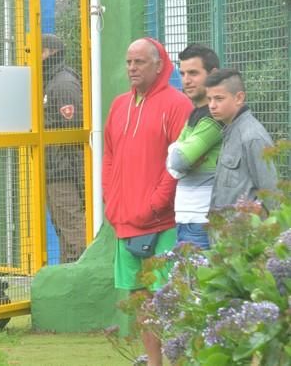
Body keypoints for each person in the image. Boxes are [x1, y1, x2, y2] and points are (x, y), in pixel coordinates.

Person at [102, 38, 192, 366]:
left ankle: (180, 359)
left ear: (158, 65)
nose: (132, 68)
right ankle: (155, 363)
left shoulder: (177, 104)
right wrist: (110, 198)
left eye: (139, 62)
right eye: (128, 62)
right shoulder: (119, 104)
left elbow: (179, 161)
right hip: (124, 221)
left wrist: (156, 203)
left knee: (167, 298)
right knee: (139, 298)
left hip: (162, 224)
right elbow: (109, 154)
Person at [166, 44, 222, 250]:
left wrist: (177, 156)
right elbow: (176, 162)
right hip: (186, 220)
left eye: (193, 73)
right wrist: (177, 157)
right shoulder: (195, 113)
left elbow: (179, 160)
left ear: (213, 74)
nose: (186, 80)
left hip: (202, 221)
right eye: (182, 73)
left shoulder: (215, 117)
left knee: (197, 282)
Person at [206, 68, 278, 212]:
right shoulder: (230, 131)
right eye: (209, 99)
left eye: (219, 99)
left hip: (245, 232)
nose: (212, 105)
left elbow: (272, 197)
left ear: (239, 98)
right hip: (227, 231)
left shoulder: (252, 137)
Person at [41, 33, 85, 263]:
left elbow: (75, 128)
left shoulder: (63, 84)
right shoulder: (49, 81)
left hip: (65, 171)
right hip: (53, 169)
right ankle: (70, 275)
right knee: (64, 228)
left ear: (51, 52)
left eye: (38, 51)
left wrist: (77, 173)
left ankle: (81, 275)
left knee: (74, 228)